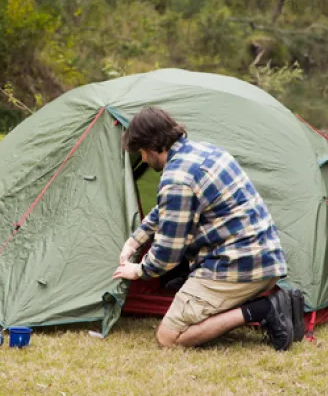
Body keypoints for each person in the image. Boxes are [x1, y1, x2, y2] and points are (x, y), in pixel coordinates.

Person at [113, 107, 301, 350]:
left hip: (237, 268)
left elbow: (168, 254)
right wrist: (135, 241)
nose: (144, 160)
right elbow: (166, 208)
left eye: (142, 152)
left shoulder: (176, 178)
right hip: (266, 260)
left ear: (151, 146)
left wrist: (138, 270)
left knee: (168, 338)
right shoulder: (207, 151)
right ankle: (267, 303)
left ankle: (266, 308)